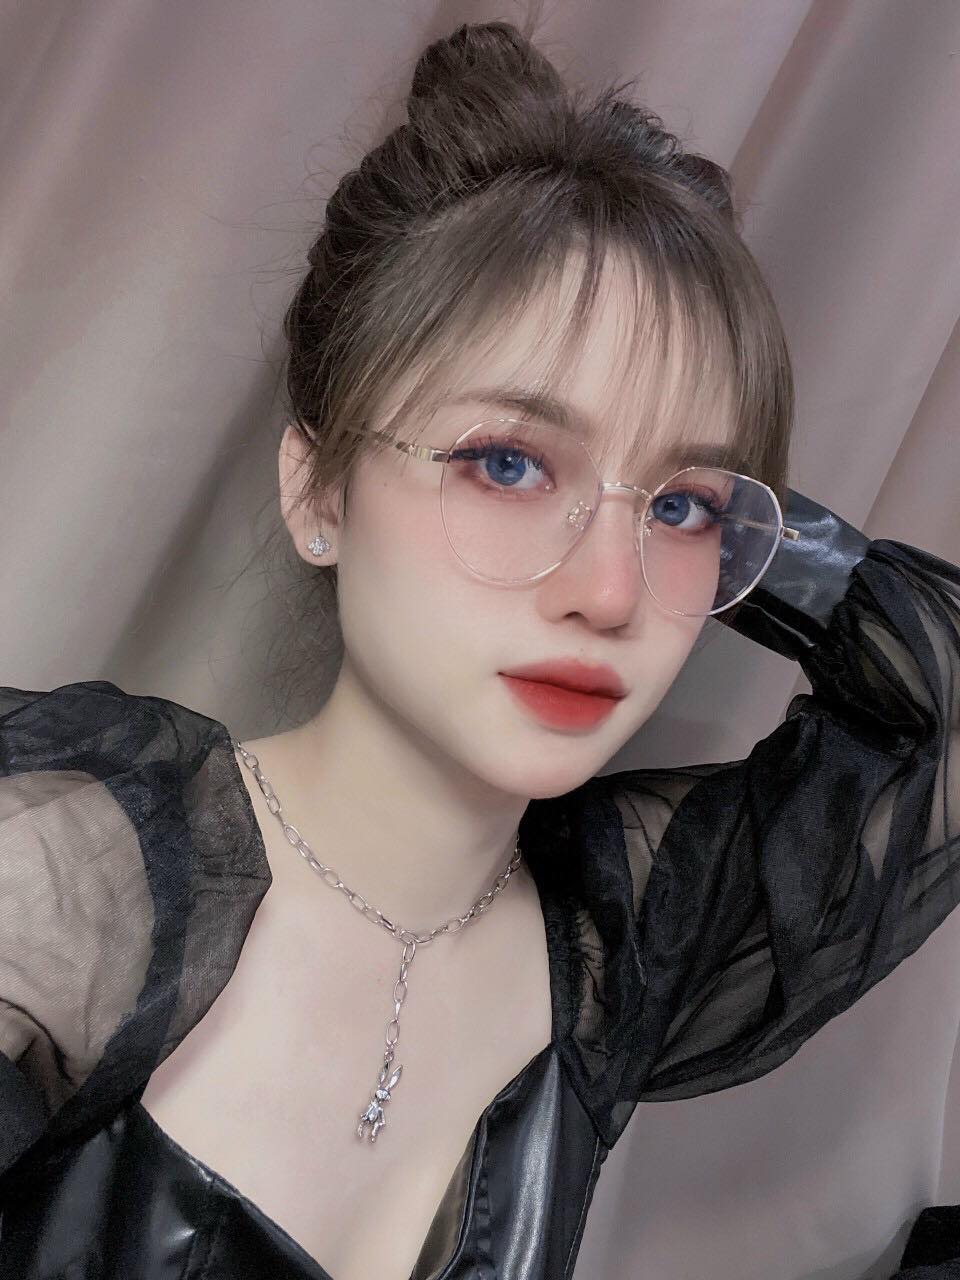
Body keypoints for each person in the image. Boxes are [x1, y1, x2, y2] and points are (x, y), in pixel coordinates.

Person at [0, 18, 958, 1280]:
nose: (609, 591)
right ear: (319, 488)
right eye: (507, 463)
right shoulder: (62, 889)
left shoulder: (616, 951)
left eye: (682, 509)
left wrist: (750, 528)